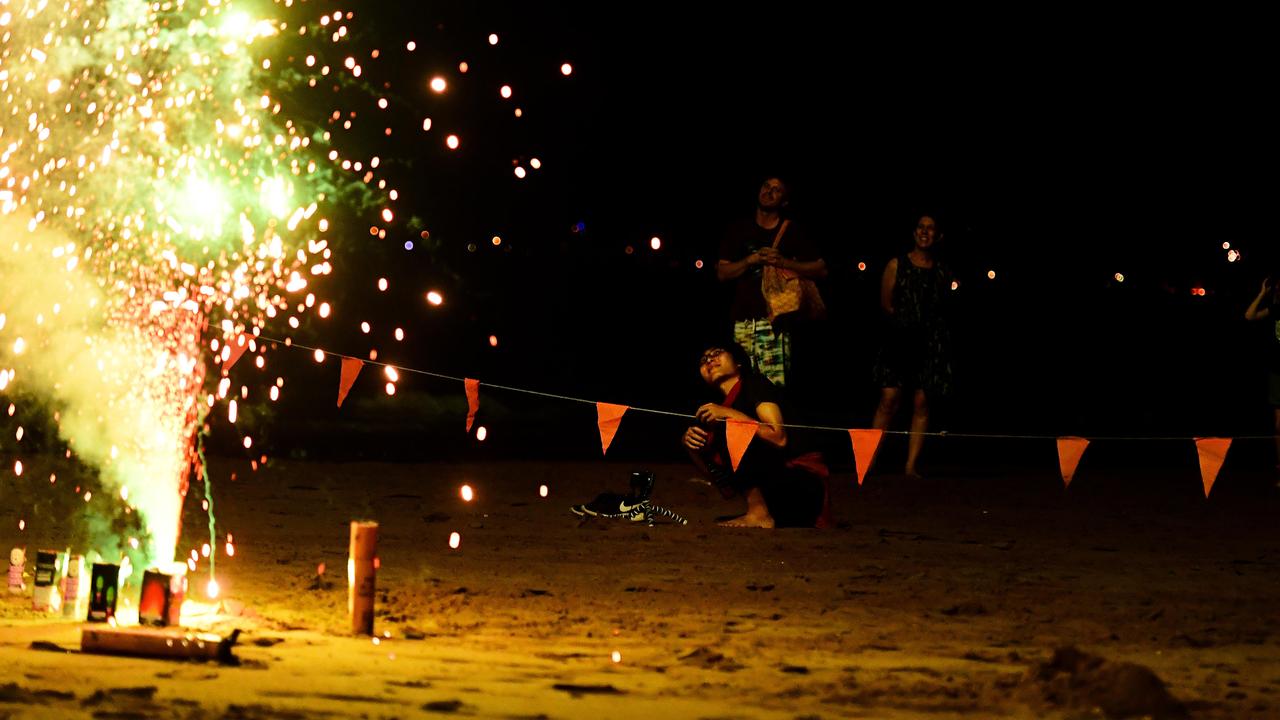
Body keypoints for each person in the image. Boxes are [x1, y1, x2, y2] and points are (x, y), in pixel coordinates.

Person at [682, 344, 828, 528]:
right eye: (704, 360)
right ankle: (760, 510)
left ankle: (759, 513)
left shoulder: (755, 384)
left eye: (717, 353)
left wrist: (731, 415)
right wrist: (691, 446)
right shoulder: (721, 408)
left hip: (803, 489)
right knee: (705, 438)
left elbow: (778, 437)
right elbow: (719, 475)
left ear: (739, 364)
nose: (709, 360)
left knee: (733, 428)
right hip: (778, 500)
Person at [717, 177, 826, 388]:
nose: (769, 192)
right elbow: (722, 272)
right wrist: (751, 260)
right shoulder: (739, 229)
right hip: (742, 320)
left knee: (771, 389)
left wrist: (782, 261)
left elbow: (821, 269)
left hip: (775, 322)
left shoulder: (792, 231)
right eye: (766, 186)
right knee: (739, 387)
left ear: (784, 201)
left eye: (777, 190)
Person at [871, 214, 954, 477]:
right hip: (899, 337)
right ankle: (869, 459)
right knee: (889, 398)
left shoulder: (942, 271)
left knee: (921, 401)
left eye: (931, 228)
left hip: (930, 340)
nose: (925, 232)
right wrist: (903, 326)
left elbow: (944, 307)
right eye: (921, 227)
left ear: (939, 236)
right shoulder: (897, 264)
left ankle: (910, 465)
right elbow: (886, 303)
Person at [1243, 275, 1280, 475]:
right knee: (1278, 425)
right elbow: (1249, 316)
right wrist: (1261, 294)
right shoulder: (1276, 310)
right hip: (1277, 372)